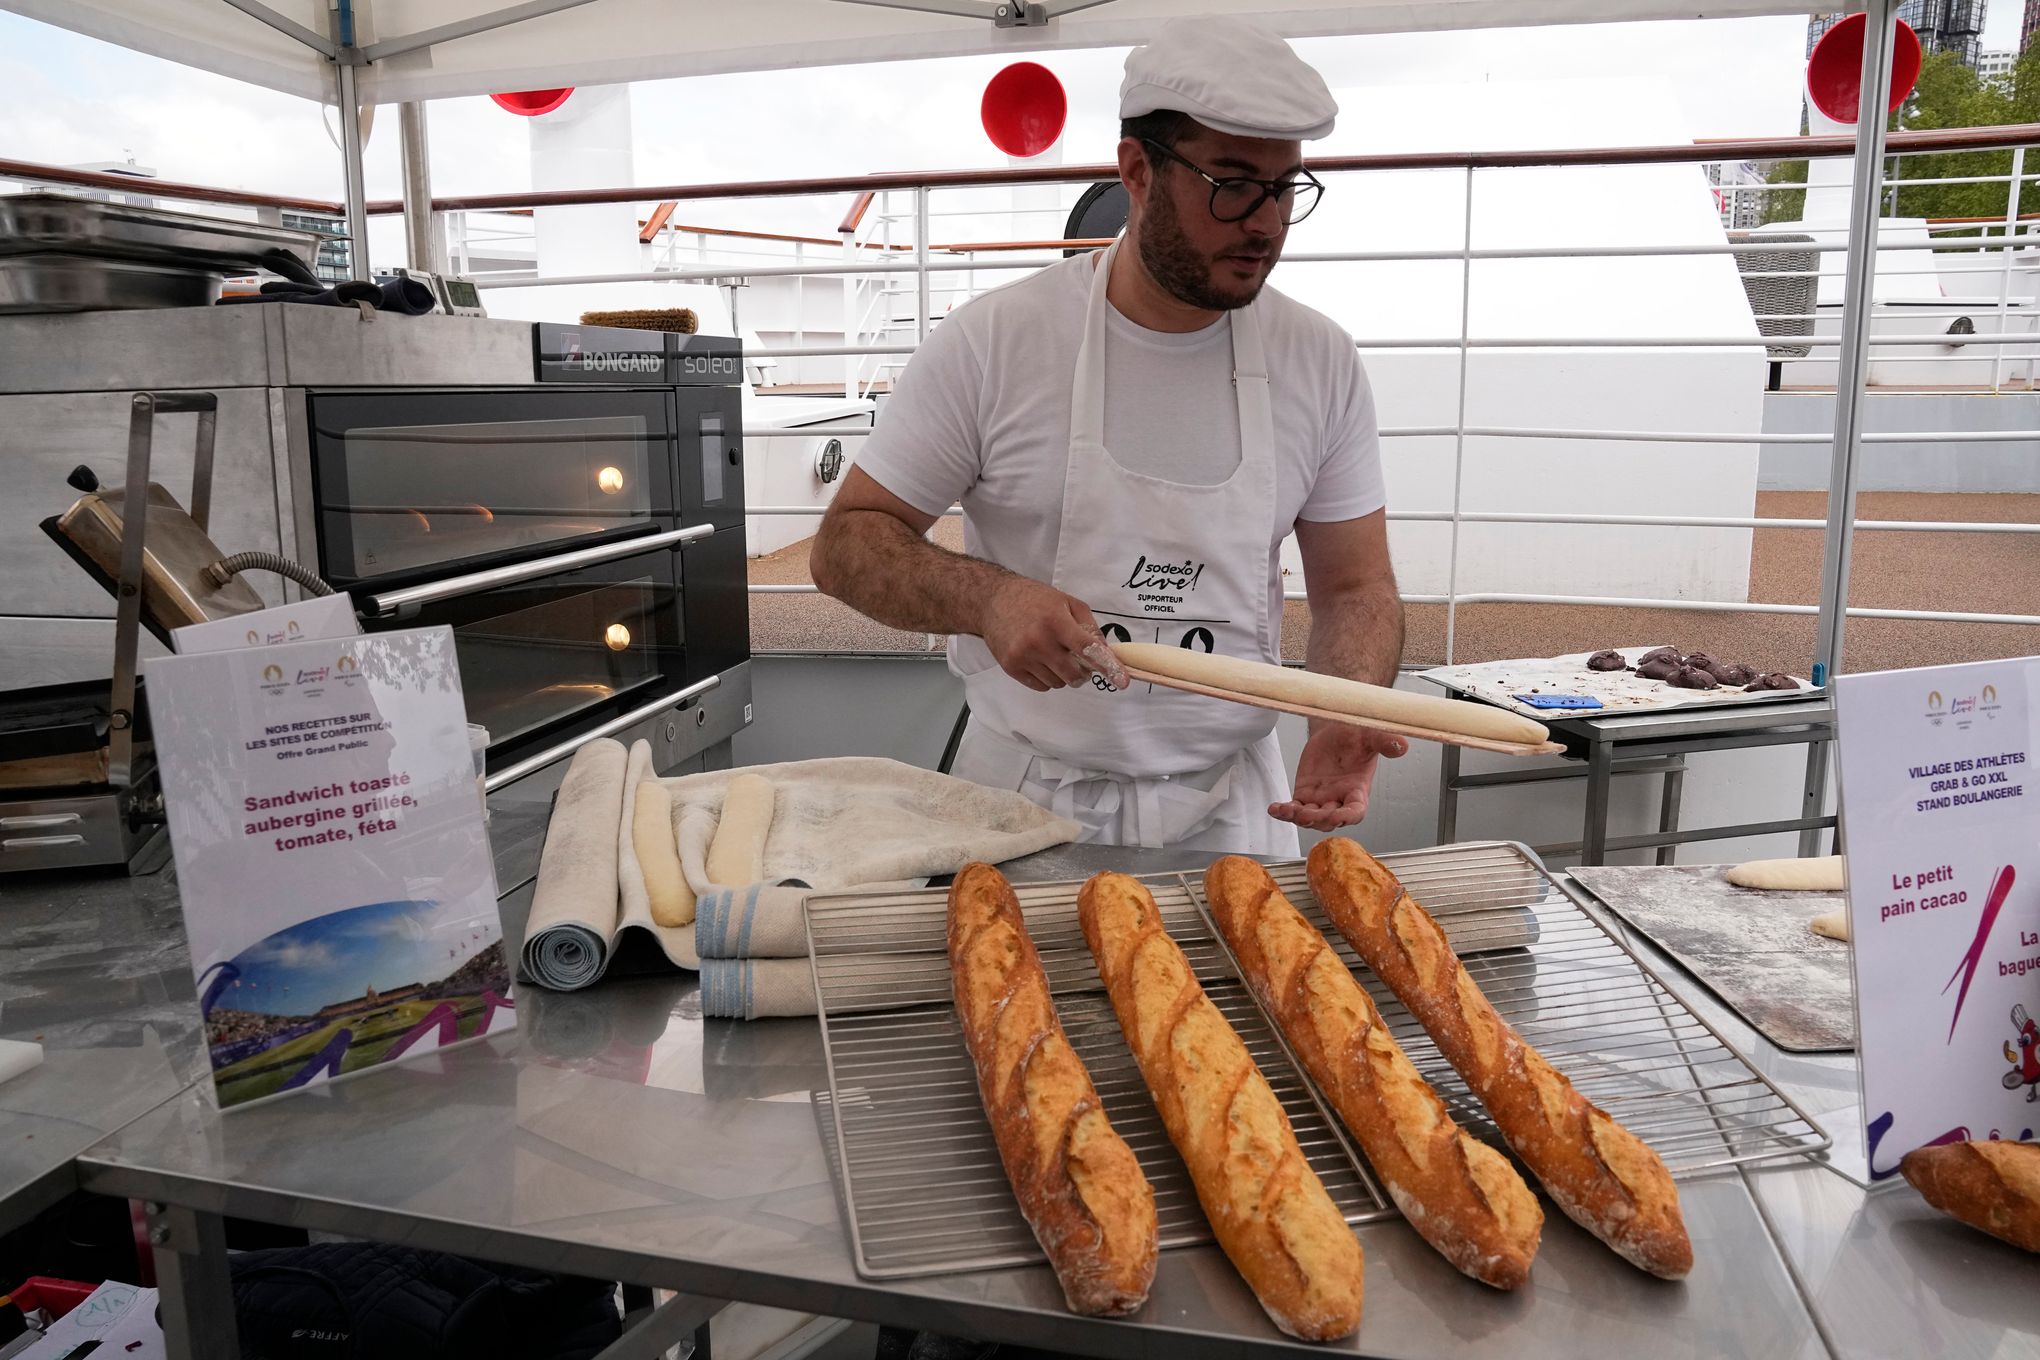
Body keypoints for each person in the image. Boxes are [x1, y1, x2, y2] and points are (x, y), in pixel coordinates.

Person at [813, 17, 1404, 858]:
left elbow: (1354, 589)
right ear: (1136, 171)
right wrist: (989, 599)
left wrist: (1350, 706)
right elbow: (846, 545)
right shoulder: (997, 342)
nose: (1267, 224)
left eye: (1285, 189)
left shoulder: (1320, 360)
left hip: (1234, 810)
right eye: (1232, 184)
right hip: (1022, 805)